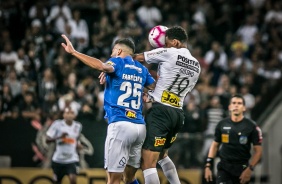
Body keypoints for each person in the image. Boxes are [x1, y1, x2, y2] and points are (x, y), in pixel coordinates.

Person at [61, 35, 155, 184]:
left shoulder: (117, 61)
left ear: (118, 51)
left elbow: (101, 65)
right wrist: (147, 95)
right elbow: (155, 88)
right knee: (130, 178)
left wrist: (74, 52)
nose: (110, 56)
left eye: (112, 52)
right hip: (139, 127)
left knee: (113, 180)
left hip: (120, 125)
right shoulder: (142, 69)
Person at [134, 26, 201, 184]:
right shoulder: (197, 65)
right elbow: (172, 87)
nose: (164, 46)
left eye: (167, 43)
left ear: (176, 42)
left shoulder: (171, 52)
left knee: (148, 162)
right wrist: (152, 95)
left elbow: (138, 57)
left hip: (161, 114)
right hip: (178, 115)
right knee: (163, 156)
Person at [204, 94, 263, 184]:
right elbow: (215, 145)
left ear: (244, 108)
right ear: (229, 107)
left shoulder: (252, 126)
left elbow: (258, 151)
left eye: (239, 103)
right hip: (224, 168)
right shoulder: (222, 124)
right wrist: (208, 165)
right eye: (234, 103)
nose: (236, 105)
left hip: (242, 168)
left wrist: (250, 169)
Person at [46, 107, 82, 184]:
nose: (69, 115)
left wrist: (78, 145)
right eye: (67, 113)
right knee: (56, 182)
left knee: (73, 180)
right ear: (64, 115)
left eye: (71, 113)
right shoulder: (57, 124)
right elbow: (47, 140)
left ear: (74, 115)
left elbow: (76, 139)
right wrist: (59, 137)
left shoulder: (78, 126)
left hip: (71, 159)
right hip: (58, 159)